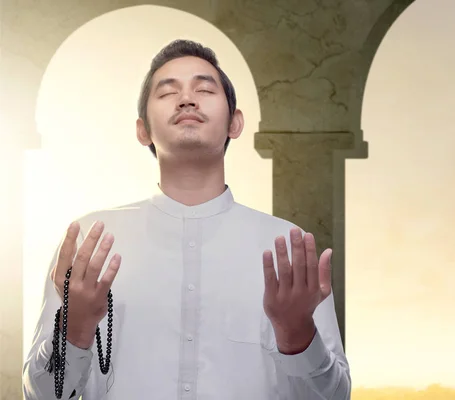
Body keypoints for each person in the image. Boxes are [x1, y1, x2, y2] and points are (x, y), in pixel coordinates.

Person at [22, 39, 351, 399]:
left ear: (235, 123)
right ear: (142, 129)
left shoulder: (287, 246)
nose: (187, 99)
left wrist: (297, 336)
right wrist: (75, 331)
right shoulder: (91, 243)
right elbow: (41, 395)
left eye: (205, 89)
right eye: (167, 92)